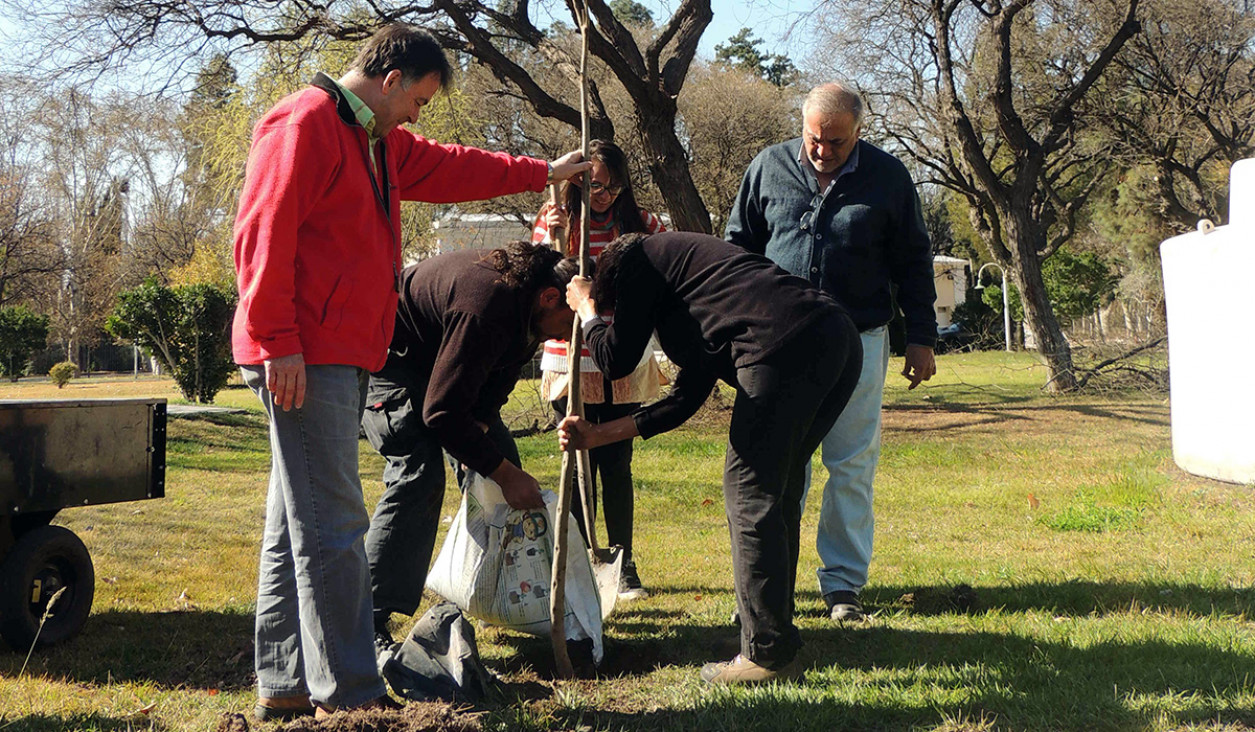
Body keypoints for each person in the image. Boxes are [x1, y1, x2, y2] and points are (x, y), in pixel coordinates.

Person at [231, 24, 590, 721]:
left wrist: (540, 172)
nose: (418, 115)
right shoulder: (304, 122)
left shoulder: (377, 142)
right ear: (391, 78)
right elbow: (260, 233)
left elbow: (456, 166)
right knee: (334, 525)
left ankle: (285, 685)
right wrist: (278, 343)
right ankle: (355, 696)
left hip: (336, 351)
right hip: (304, 352)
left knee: (293, 527)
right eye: (419, 99)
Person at [557, 231, 862, 684]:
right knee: (777, 492)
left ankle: (767, 653)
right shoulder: (694, 286)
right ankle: (768, 628)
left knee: (749, 496)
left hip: (782, 346)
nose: (619, 319)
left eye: (615, 310)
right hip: (835, 336)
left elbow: (614, 359)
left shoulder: (638, 259)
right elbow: (684, 398)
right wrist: (596, 436)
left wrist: (585, 309)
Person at [725, 81, 937, 623]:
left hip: (860, 341)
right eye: (814, 139)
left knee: (850, 464)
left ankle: (843, 586)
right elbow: (737, 250)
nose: (822, 151)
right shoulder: (767, 168)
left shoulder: (888, 178)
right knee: (777, 466)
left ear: (859, 132)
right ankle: (772, 586)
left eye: (837, 142)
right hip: (780, 342)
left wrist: (920, 337)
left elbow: (914, 261)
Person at [363, 242, 580, 652]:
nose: (572, 336)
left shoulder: (529, 301)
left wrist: (483, 433)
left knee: (502, 471)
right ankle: (365, 616)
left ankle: (510, 599)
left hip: (443, 366)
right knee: (419, 475)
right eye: (571, 324)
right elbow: (441, 414)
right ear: (551, 298)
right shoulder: (489, 304)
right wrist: (500, 471)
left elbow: (503, 370)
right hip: (390, 358)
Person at [531, 139, 665, 600]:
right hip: (570, 358)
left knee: (616, 464)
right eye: (593, 185)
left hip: (621, 355)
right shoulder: (556, 221)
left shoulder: (643, 224)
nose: (602, 195)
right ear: (577, 180)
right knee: (576, 464)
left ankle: (622, 565)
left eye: (611, 186)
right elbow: (541, 282)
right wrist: (553, 238)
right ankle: (573, 565)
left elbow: (662, 274)